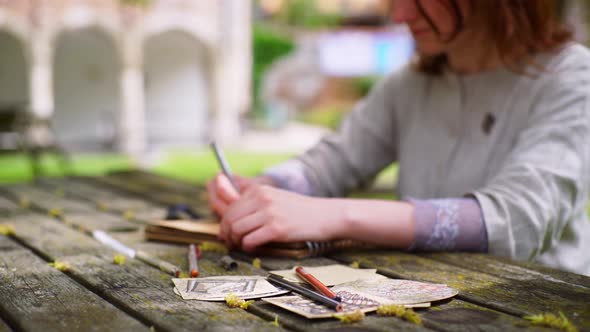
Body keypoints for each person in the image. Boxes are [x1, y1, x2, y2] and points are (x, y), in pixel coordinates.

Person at [207, 0, 590, 276]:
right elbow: (334, 161)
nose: (401, 14)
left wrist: (335, 215)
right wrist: (267, 187)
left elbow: (516, 220)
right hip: (427, 298)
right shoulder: (410, 85)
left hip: (537, 304)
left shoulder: (570, 77)